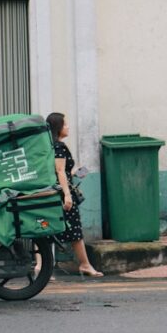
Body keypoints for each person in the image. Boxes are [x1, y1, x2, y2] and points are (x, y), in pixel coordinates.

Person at [46, 111, 103, 278]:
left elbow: (64, 172)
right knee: (75, 231)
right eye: (65, 124)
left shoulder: (51, 146)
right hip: (61, 195)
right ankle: (85, 264)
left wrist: (77, 173)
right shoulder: (59, 146)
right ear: (58, 127)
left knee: (47, 229)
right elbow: (59, 171)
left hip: (56, 192)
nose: (68, 126)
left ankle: (42, 267)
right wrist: (67, 195)